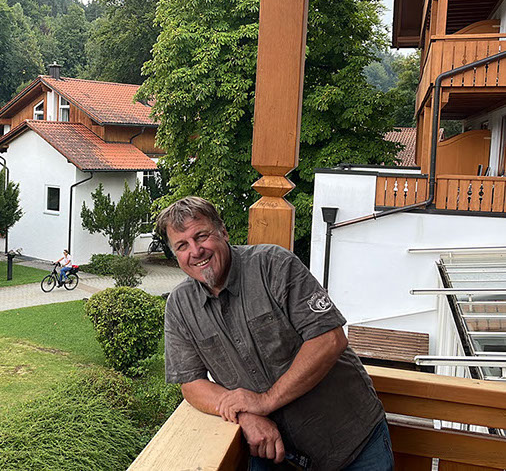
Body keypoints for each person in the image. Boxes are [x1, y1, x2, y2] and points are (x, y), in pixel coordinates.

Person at [156, 196, 392, 471]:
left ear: (223, 232)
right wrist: (242, 414)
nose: (196, 251)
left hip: (352, 443)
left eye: (201, 236)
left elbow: (329, 339)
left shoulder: (273, 265)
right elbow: (191, 383)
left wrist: (265, 401)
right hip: (275, 456)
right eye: (182, 246)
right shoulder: (180, 306)